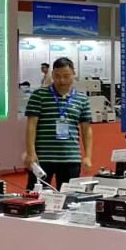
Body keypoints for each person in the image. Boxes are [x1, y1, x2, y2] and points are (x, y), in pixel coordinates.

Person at [25, 57, 93, 190]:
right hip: (43, 157)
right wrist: (30, 152)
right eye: (57, 76)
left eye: (66, 76)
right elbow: (31, 126)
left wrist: (88, 156)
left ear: (74, 74)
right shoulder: (39, 95)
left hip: (71, 156)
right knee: (35, 194)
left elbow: (87, 130)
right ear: (52, 75)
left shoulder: (82, 99)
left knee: (69, 196)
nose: (61, 80)